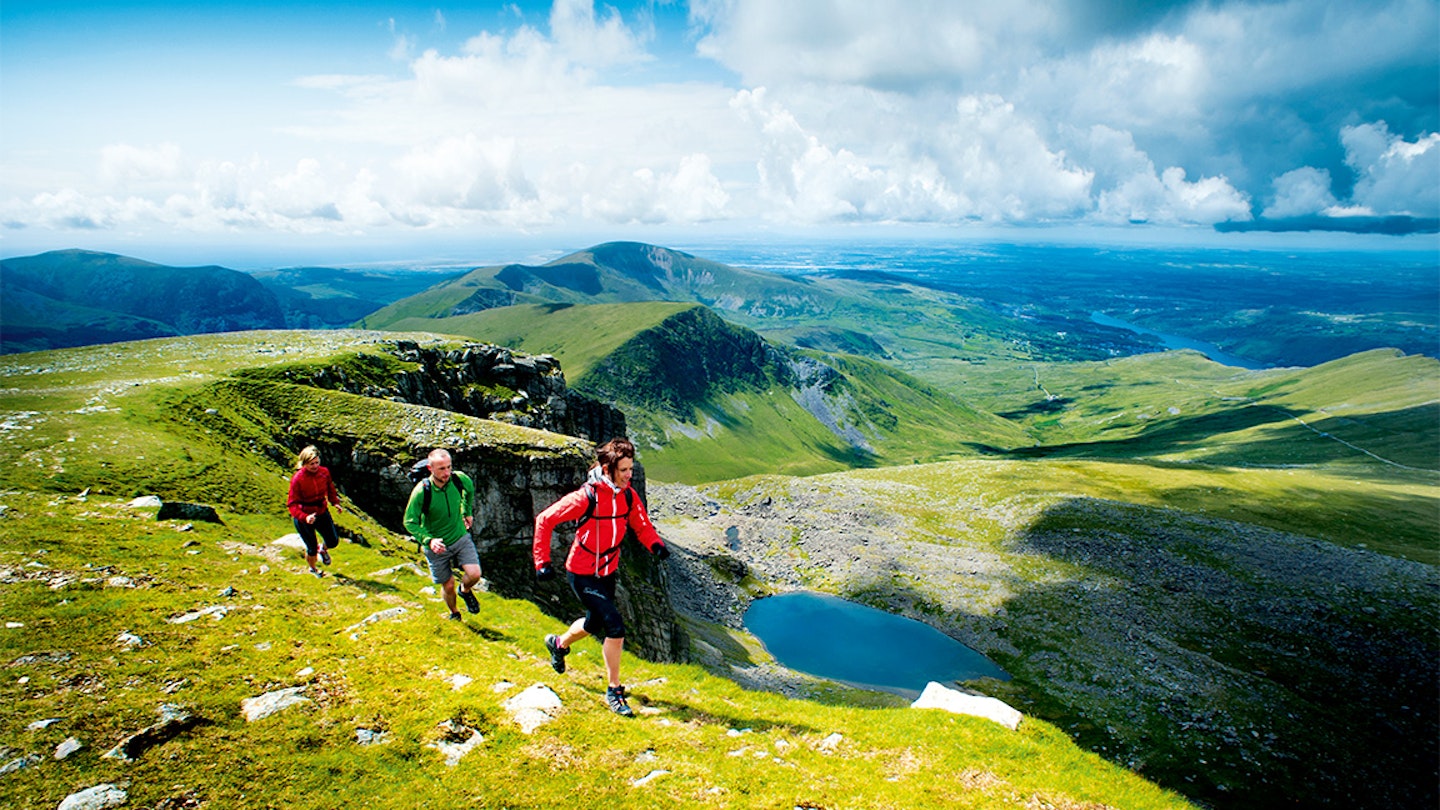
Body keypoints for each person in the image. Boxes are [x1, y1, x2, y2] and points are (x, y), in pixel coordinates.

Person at [533, 437, 670, 717]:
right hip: (582, 573)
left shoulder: (628, 495)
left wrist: (656, 545)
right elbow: (544, 520)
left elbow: (641, 525)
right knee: (614, 626)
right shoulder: (587, 496)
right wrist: (542, 562)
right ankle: (614, 689)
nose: (630, 475)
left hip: (608, 571)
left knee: (593, 623)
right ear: (608, 469)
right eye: (624, 470)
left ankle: (558, 644)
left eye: (631, 469)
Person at [403, 448, 482, 621]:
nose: (447, 473)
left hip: (459, 536)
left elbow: (469, 491)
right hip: (437, 546)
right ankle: (454, 613)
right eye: (441, 469)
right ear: (431, 469)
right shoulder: (422, 491)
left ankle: (465, 591)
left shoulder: (459, 479)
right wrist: (429, 540)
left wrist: (466, 512)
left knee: (475, 574)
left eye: (449, 467)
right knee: (448, 584)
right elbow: (409, 521)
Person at [287, 445, 345, 578]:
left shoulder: (324, 472)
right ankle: (313, 569)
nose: (315, 466)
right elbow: (292, 504)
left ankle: (323, 550)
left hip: (321, 510)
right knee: (311, 547)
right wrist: (305, 517)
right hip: (304, 515)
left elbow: (330, 488)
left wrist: (335, 502)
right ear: (304, 463)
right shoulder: (298, 479)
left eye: (317, 463)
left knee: (333, 541)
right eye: (311, 464)